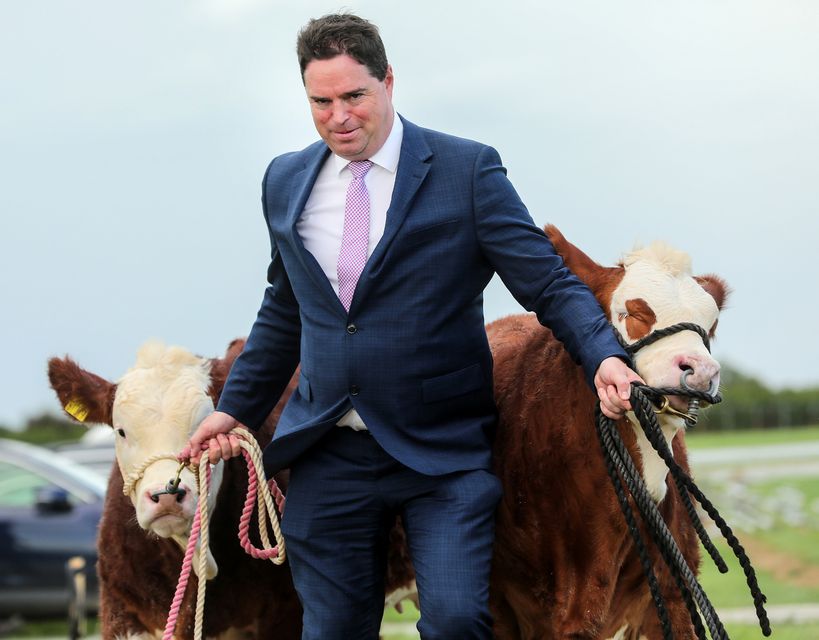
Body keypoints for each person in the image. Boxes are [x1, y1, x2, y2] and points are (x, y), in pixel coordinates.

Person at [182, 12, 640, 640]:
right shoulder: (284, 181)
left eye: (354, 96)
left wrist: (604, 356)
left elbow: (548, 282)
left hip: (442, 450)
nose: (338, 116)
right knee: (332, 631)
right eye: (320, 102)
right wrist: (232, 410)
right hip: (327, 450)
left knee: (456, 622)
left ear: (388, 81)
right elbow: (285, 311)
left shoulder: (467, 170)